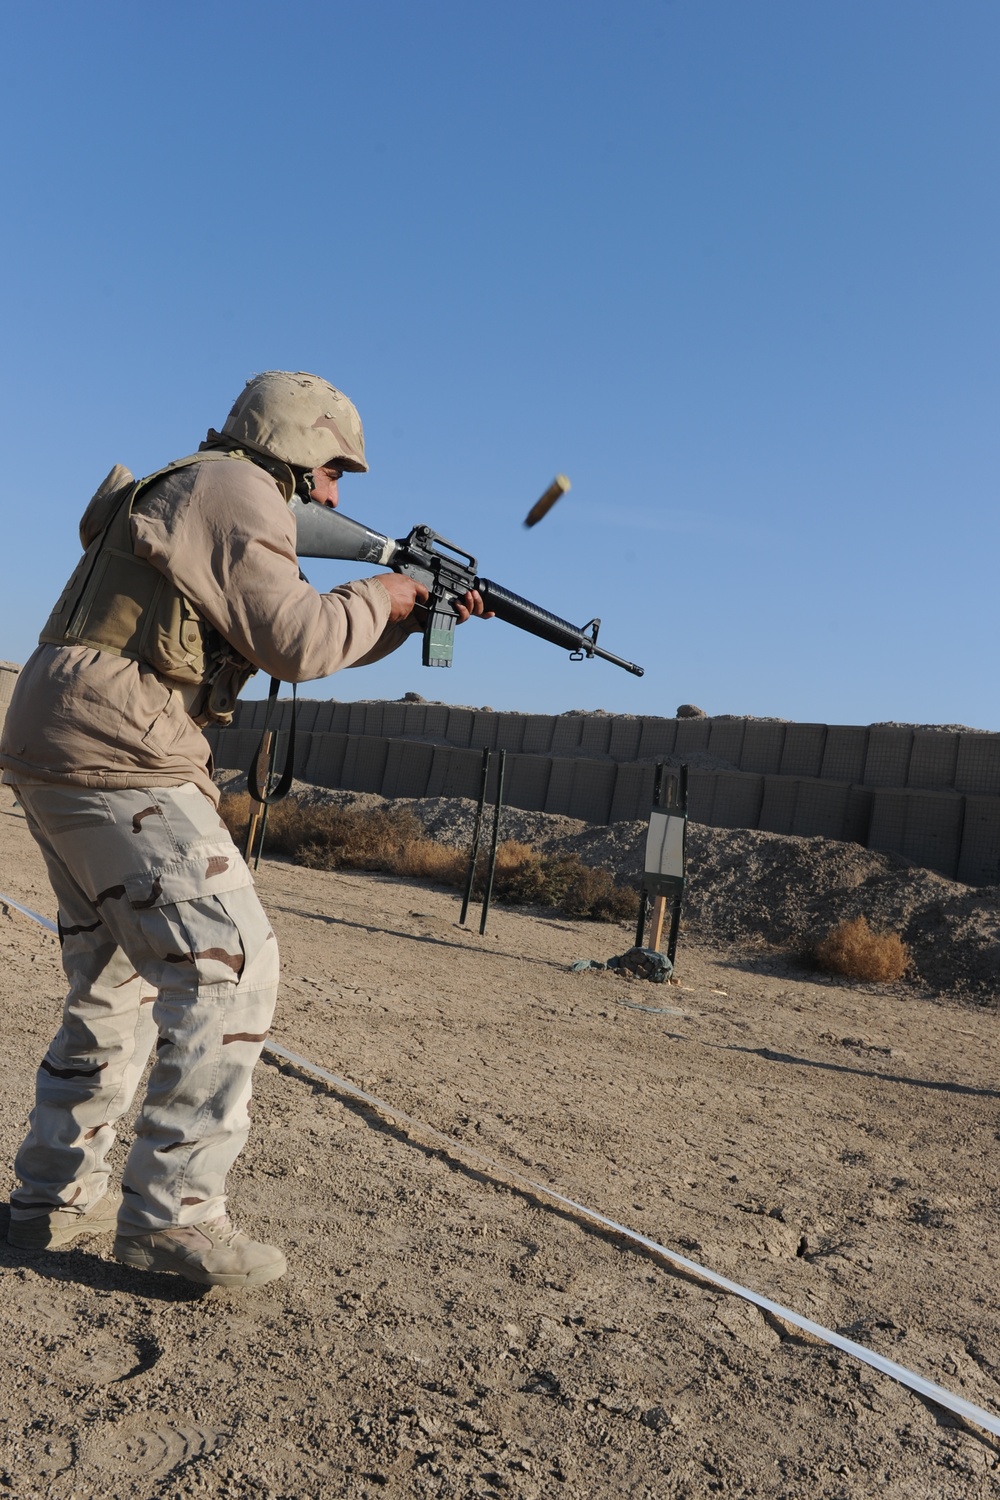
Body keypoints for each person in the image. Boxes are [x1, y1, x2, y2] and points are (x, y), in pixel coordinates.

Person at [0, 370, 484, 1288]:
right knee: (230, 963)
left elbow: (289, 638)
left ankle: (48, 1205)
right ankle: (173, 1221)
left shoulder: (198, 486)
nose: (337, 494)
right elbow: (300, 642)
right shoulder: (238, 491)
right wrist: (384, 595)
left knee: (116, 983)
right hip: (121, 743)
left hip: (64, 729)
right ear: (297, 446)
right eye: (334, 470)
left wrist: (398, 612)